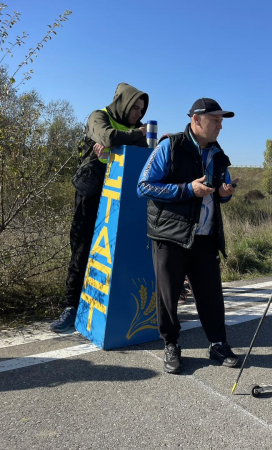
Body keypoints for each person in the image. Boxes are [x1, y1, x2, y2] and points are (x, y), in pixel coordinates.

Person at [137, 98, 239, 374]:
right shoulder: (170, 146)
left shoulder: (218, 154)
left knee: (211, 295)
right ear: (196, 120)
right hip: (169, 235)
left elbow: (218, 193)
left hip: (204, 235)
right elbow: (143, 186)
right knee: (168, 295)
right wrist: (186, 190)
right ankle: (171, 344)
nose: (220, 126)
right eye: (215, 120)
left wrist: (223, 194)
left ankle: (218, 343)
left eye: (221, 121)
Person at [50, 83, 149, 332]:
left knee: (111, 252)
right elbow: (107, 136)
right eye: (135, 107)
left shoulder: (132, 129)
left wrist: (126, 140)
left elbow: (144, 152)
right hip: (90, 193)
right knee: (82, 248)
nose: (138, 114)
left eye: (142, 109)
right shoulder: (99, 116)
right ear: (123, 103)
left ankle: (104, 306)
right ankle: (71, 307)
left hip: (119, 197)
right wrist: (137, 135)